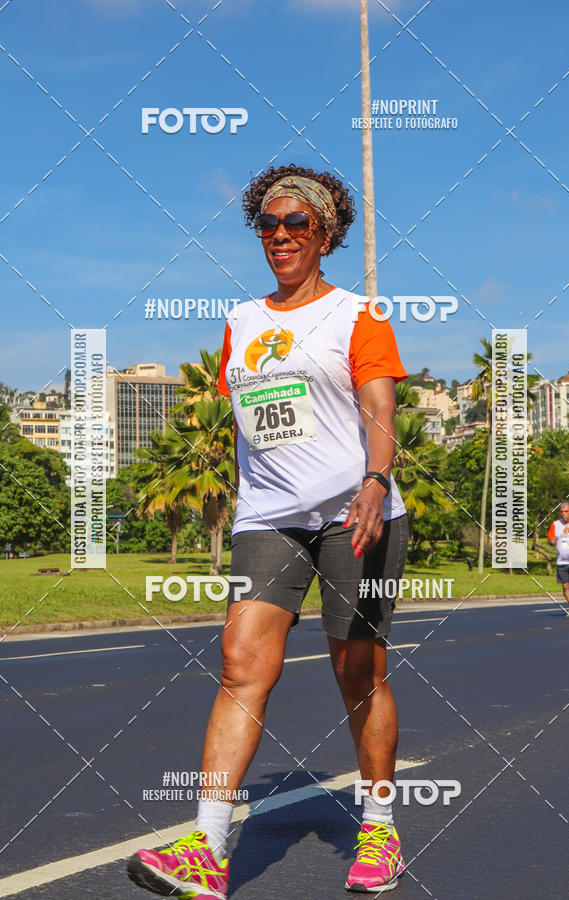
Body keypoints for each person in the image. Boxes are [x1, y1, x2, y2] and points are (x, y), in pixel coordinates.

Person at [128, 165, 410, 897]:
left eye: (296, 225)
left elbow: (379, 410)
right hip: (268, 517)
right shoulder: (243, 322)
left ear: (325, 234)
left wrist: (375, 480)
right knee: (240, 662)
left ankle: (379, 829)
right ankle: (208, 849)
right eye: (269, 225)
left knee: (358, 671)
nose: (280, 236)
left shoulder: (359, 316)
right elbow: (256, 422)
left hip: (356, 511)